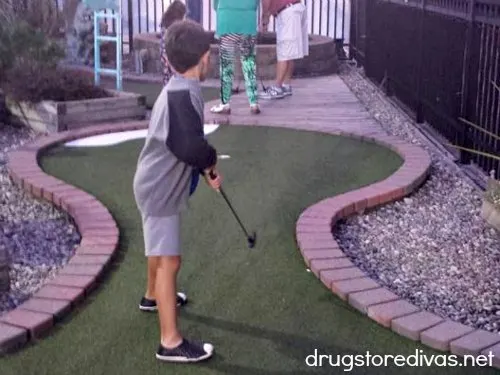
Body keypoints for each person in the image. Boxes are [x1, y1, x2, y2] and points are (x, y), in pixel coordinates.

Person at [133, 19, 221, 363]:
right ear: (203, 58)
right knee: (170, 259)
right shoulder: (183, 94)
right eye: (208, 54)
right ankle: (170, 342)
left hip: (154, 184)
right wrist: (211, 162)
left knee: (160, 251)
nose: (210, 59)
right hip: (158, 189)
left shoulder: (179, 88)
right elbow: (191, 147)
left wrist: (206, 165)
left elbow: (186, 144)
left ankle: (152, 295)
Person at [210, 0, 261, 115]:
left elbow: (215, 4)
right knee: (249, 64)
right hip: (248, 20)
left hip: (227, 20)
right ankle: (253, 103)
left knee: (226, 65)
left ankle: (225, 103)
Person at [259, 0, 308, 99]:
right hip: (295, 8)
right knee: (289, 51)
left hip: (287, 12)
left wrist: (265, 18)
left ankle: (277, 87)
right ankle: (286, 85)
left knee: (284, 51)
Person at [159, 0, 186, 85]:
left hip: (169, 60)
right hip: (171, 60)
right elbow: (166, 50)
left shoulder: (166, 25)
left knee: (169, 82)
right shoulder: (171, 28)